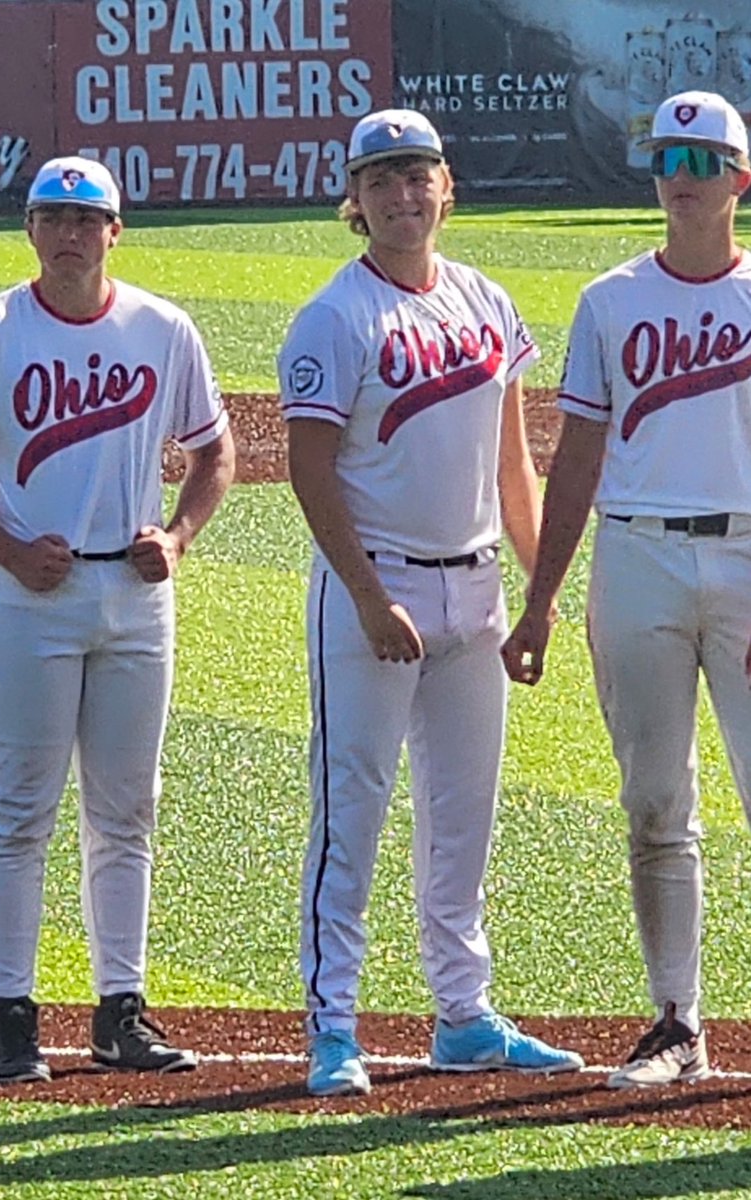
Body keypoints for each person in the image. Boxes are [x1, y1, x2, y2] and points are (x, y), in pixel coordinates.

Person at [277, 108, 585, 1098]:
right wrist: (365, 596)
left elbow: (511, 466)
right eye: (382, 180)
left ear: (445, 188)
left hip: (476, 585)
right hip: (378, 588)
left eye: (418, 175)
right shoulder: (333, 317)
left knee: (463, 818)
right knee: (350, 814)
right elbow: (309, 471)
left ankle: (463, 1013)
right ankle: (331, 1024)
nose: (403, 195)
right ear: (353, 204)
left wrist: (539, 600)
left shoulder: (486, 302)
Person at [0, 156, 235, 1083]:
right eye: (51, 217)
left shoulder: (162, 329)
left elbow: (216, 454)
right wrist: (6, 552)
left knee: (126, 810)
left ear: (113, 232)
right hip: (31, 597)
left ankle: (118, 1009)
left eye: (85, 220)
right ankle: (9, 1014)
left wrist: (177, 536)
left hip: (134, 596)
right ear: (29, 231)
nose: (67, 235)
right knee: (19, 811)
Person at [503, 90, 751, 1089]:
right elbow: (574, 455)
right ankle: (673, 1020)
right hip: (636, 554)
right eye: (665, 157)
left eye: (701, 159)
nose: (680, 176)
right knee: (654, 801)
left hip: (745, 553)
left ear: (738, 179)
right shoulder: (610, 300)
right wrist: (540, 597)